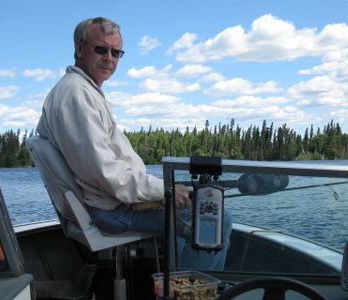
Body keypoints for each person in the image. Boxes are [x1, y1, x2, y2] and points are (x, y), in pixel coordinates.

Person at [36, 17, 231, 271]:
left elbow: (105, 172)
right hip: (113, 211)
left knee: (192, 212)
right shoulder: (76, 95)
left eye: (116, 52)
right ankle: (190, 292)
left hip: (112, 202)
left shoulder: (81, 90)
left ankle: (179, 280)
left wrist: (162, 194)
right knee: (215, 217)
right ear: (79, 48)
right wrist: (167, 191)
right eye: (101, 49)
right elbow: (105, 173)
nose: (109, 58)